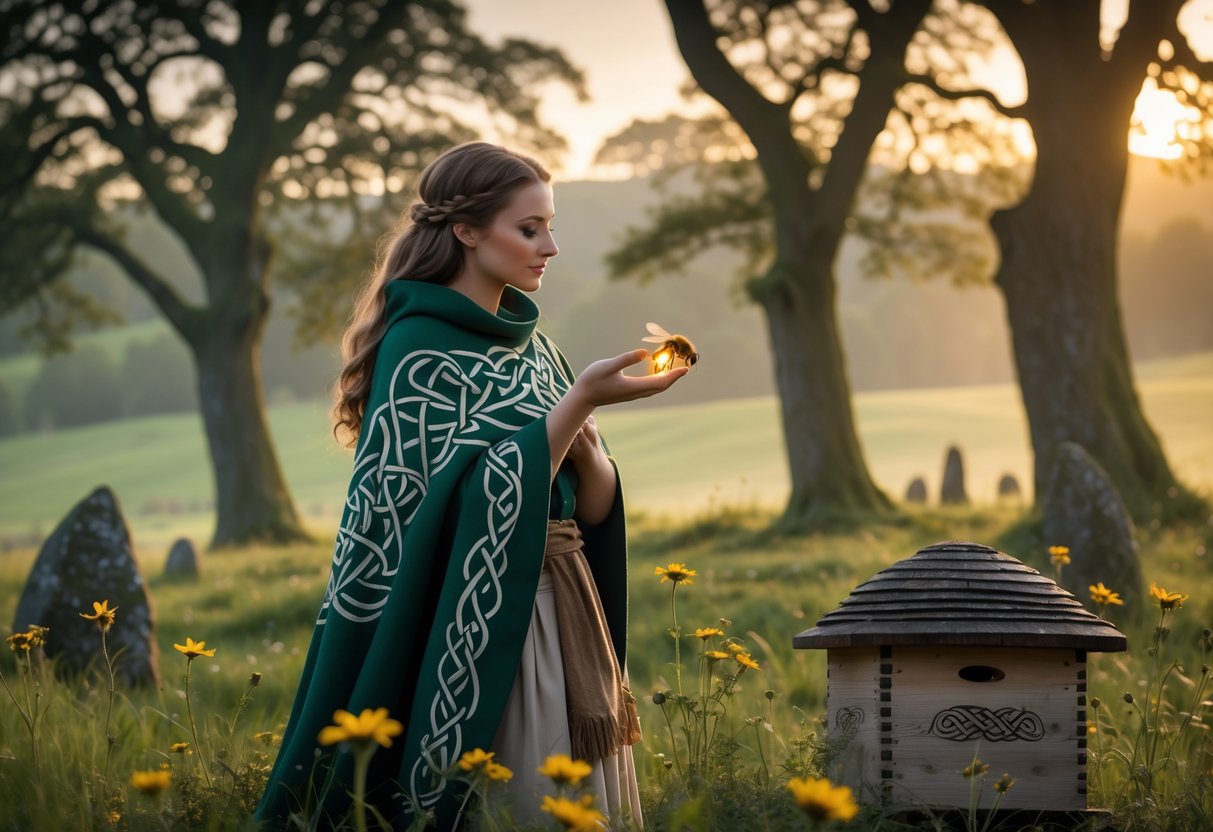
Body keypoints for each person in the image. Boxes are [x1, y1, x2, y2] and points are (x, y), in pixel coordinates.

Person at [255, 142, 687, 829]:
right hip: (481, 620)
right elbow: (454, 511)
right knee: (519, 801)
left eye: (549, 225)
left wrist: (591, 447)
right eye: (529, 228)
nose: (549, 245)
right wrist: (578, 402)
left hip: (565, 610)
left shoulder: (535, 347)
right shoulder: (418, 350)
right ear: (465, 231)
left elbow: (583, 504)